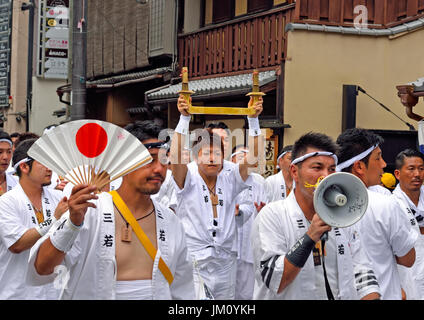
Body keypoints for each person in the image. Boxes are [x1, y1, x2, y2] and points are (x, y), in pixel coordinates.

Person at [27, 121, 195, 300]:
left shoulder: (170, 221)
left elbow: (183, 289)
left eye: (164, 161)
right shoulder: (89, 210)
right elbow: (41, 269)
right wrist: (72, 224)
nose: (159, 169)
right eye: (150, 160)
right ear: (124, 160)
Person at [251, 132, 380, 300]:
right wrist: (310, 237)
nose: (326, 176)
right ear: (294, 172)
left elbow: (361, 270)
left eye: (332, 169)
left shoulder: (342, 216)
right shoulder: (272, 215)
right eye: (317, 167)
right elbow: (275, 280)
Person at [170, 94, 263, 299]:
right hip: (194, 260)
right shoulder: (188, 176)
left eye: (217, 153)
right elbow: (175, 155)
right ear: (195, 156)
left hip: (225, 260)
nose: (212, 158)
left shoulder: (230, 176)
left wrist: (253, 120)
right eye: (206, 153)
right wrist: (184, 119)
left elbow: (254, 157)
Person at [336, 128, 417, 300]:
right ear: (359, 166)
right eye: (378, 157)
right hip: (384, 293)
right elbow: (408, 259)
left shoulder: (325, 207)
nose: (383, 164)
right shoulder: (386, 204)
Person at [0, 139, 68, 299]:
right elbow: (17, 245)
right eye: (44, 162)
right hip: (17, 292)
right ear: (24, 167)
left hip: (53, 291)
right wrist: (54, 219)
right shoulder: (6, 202)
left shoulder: (59, 197)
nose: (50, 168)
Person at [231, 145, 267, 300]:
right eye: (241, 155)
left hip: (249, 242)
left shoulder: (259, 180)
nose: (246, 158)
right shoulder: (224, 177)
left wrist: (262, 211)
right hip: (228, 242)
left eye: (248, 155)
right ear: (231, 159)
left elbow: (265, 206)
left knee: (247, 290)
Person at [392, 149, 424, 299]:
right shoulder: (391, 204)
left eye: (421, 168)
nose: (417, 174)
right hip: (407, 274)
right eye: (411, 169)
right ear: (397, 174)